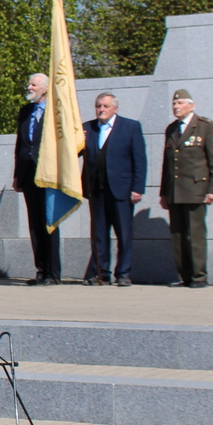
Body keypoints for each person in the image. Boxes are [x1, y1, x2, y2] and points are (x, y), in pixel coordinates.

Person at [82, 93, 146, 287]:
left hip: (121, 190)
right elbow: (74, 153)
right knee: (99, 235)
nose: (101, 109)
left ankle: (123, 273)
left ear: (115, 109)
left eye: (106, 106)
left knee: (123, 234)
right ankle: (101, 273)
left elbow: (140, 160)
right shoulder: (87, 128)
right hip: (96, 189)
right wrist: (76, 140)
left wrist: (137, 188)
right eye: (98, 106)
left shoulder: (130, 127)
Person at [160, 89, 213, 288]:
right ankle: (184, 276)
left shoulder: (205, 126)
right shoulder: (171, 129)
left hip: (195, 189)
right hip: (174, 190)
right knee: (177, 235)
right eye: (174, 104)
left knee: (195, 235)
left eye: (180, 103)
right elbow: (167, 164)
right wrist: (163, 193)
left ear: (191, 106)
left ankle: (199, 277)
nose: (176, 107)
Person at [14, 73, 62, 285]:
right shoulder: (26, 112)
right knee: (34, 224)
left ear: (45, 88)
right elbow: (20, 145)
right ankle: (41, 271)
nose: (29, 87)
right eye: (29, 84)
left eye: (33, 84)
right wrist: (17, 175)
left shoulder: (56, 111)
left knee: (49, 222)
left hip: (49, 175)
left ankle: (53, 273)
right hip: (28, 175)